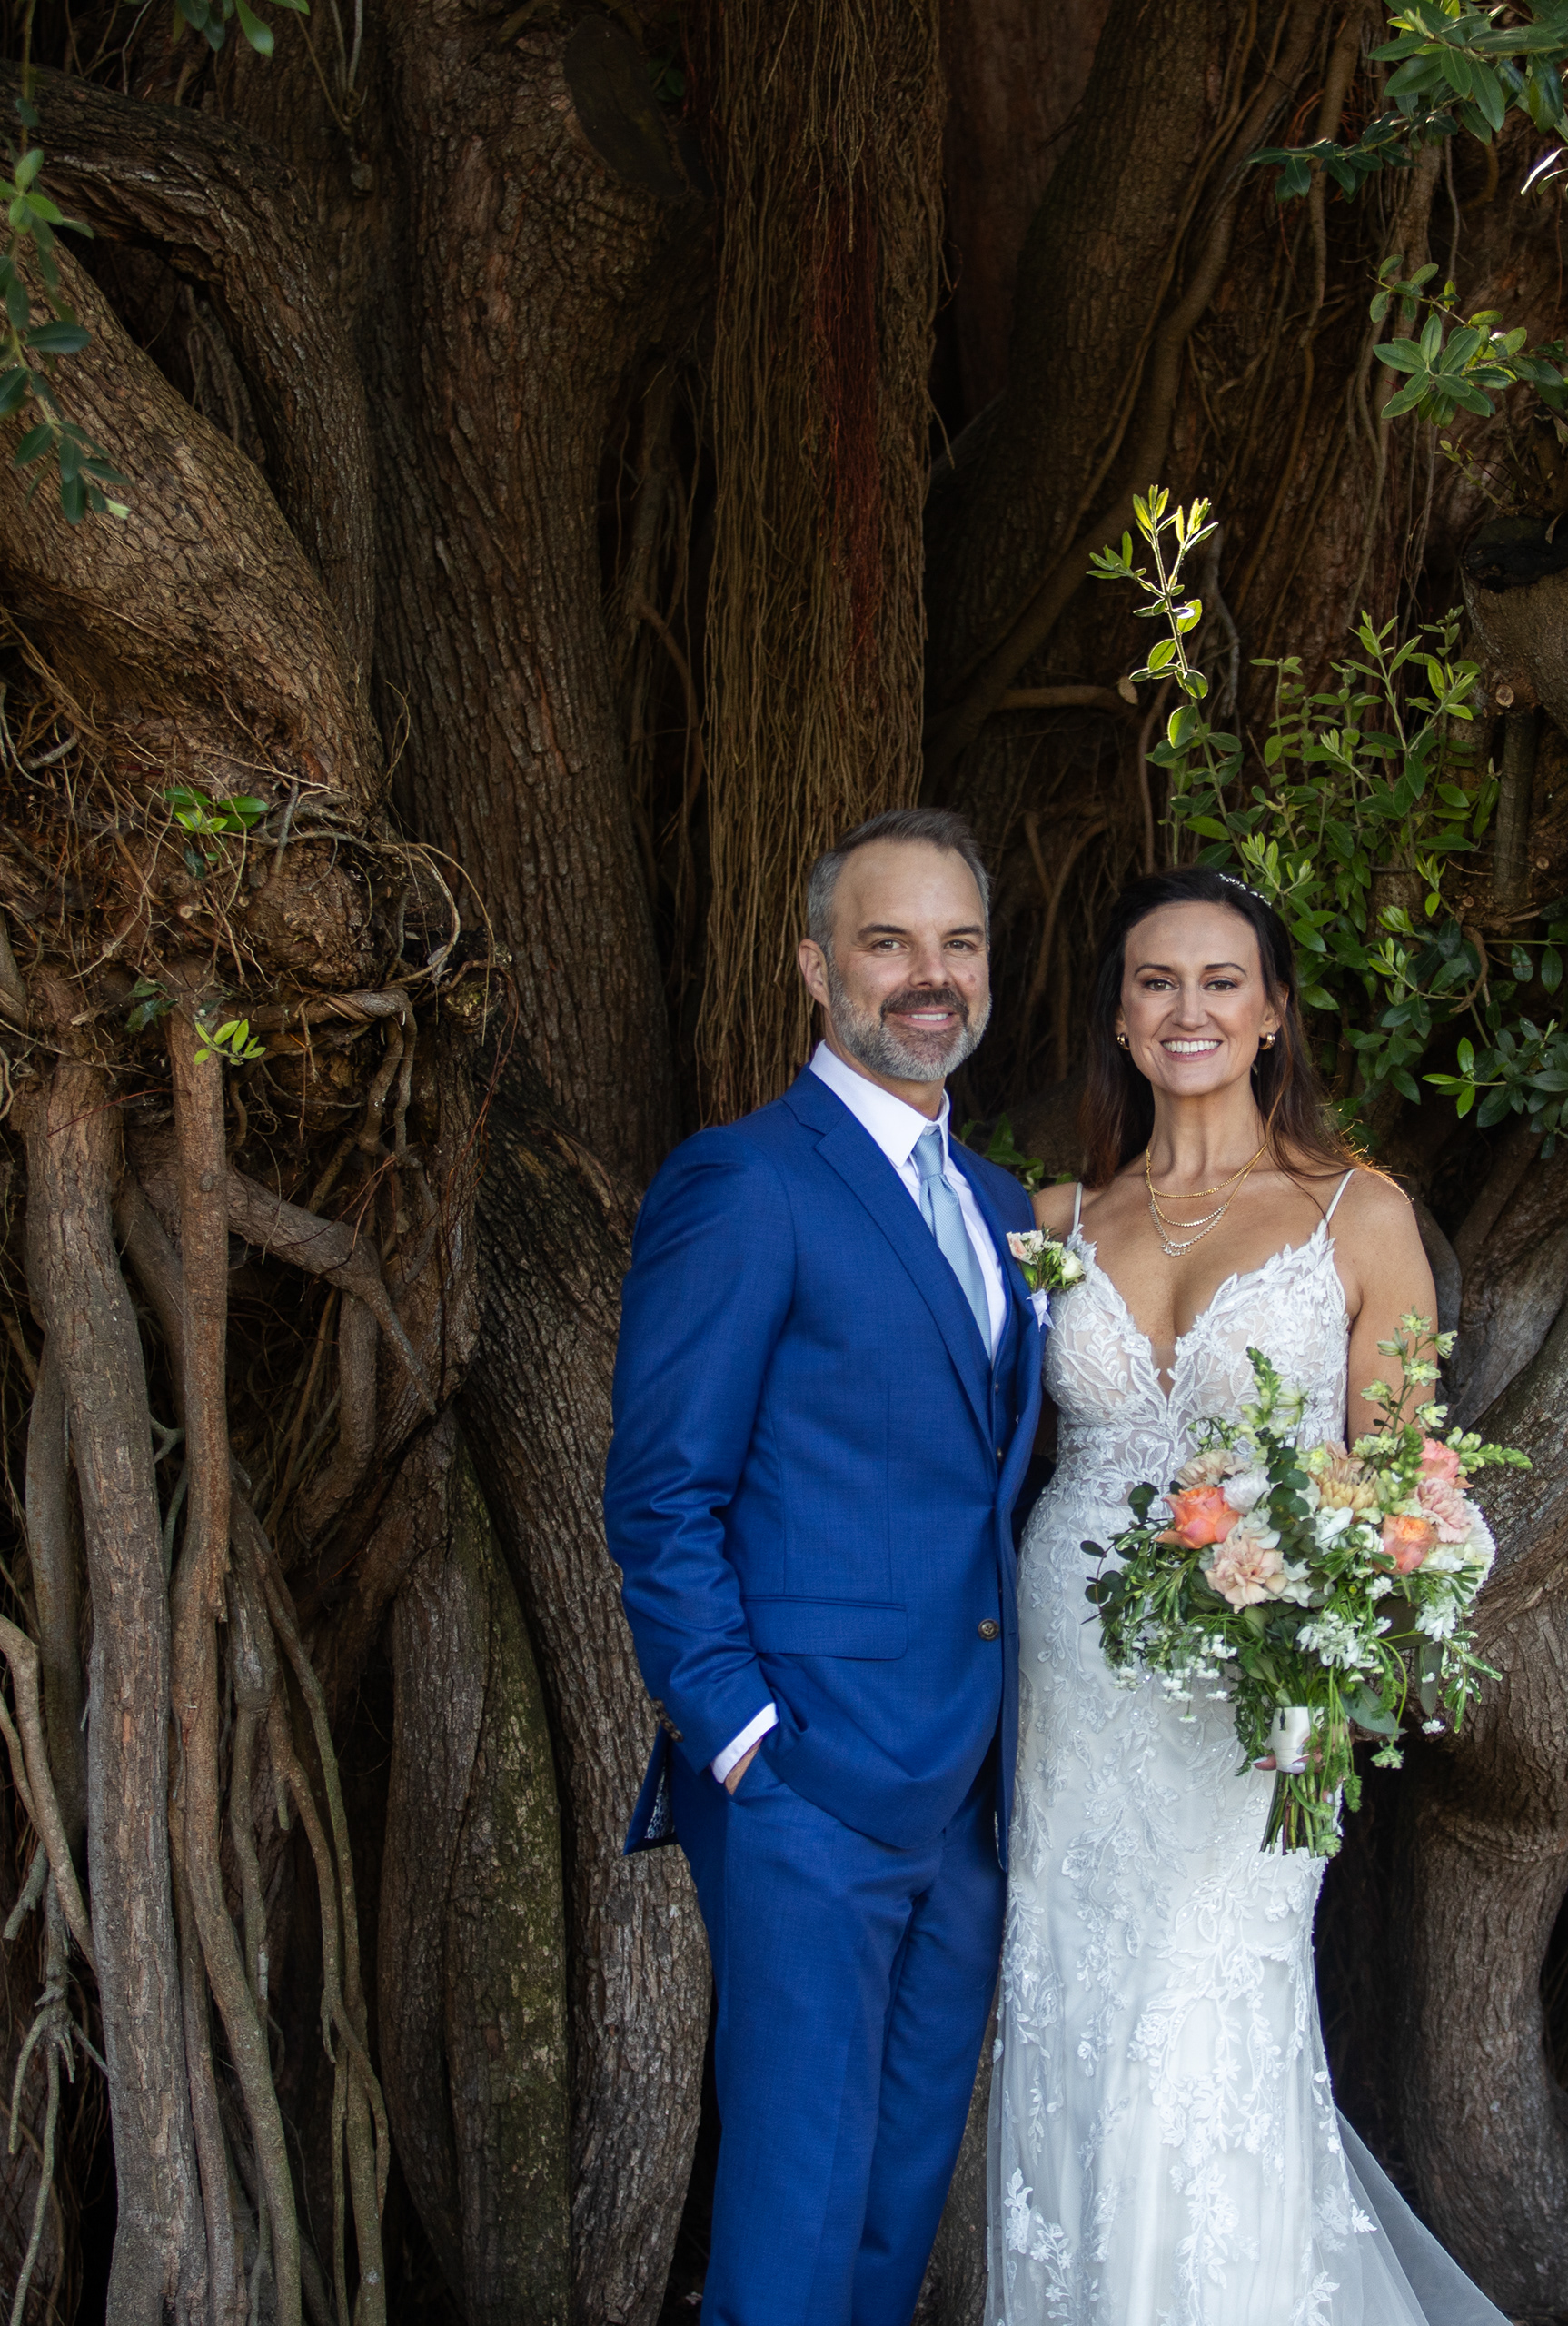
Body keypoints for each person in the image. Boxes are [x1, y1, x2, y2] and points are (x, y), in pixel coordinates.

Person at [986, 863, 1512, 2326]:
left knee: (1197, 2013)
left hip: (1259, 1695)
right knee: (1076, 2000)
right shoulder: (1053, 1218)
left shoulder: (1360, 1213)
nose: (1190, 1008)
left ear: (1274, 1012)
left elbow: (1410, 1485)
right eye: (1157, 981)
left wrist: (1340, 1617)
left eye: (1224, 980)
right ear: (1120, 1017)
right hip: (1077, 1681)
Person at [606, 807, 1047, 2326]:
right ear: (816, 967)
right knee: (795, 2220)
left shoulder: (1000, 1207)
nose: (931, 978)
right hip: (804, 1786)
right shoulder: (745, 1185)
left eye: (960, 943)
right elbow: (664, 1496)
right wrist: (741, 1745)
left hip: (971, 1791)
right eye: (889, 942)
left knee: (892, 2213)